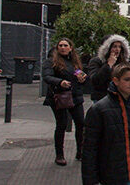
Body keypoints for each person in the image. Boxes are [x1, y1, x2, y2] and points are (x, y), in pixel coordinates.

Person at [82, 63, 130, 185]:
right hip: (113, 173)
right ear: (116, 81)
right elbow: (89, 148)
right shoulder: (100, 109)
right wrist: (91, 180)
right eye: (127, 79)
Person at [42, 38, 88, 166]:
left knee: (81, 123)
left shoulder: (74, 62)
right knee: (61, 124)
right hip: (59, 96)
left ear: (70, 48)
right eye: (60, 45)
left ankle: (80, 151)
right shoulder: (51, 61)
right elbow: (47, 76)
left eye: (65, 45)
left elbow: (81, 75)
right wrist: (60, 82)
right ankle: (59, 155)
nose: (63, 47)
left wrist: (82, 78)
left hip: (75, 96)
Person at [87, 34, 130, 102]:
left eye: (119, 47)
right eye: (114, 46)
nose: (117, 49)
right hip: (101, 98)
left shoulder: (122, 62)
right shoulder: (96, 61)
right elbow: (95, 81)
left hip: (119, 98)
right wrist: (108, 65)